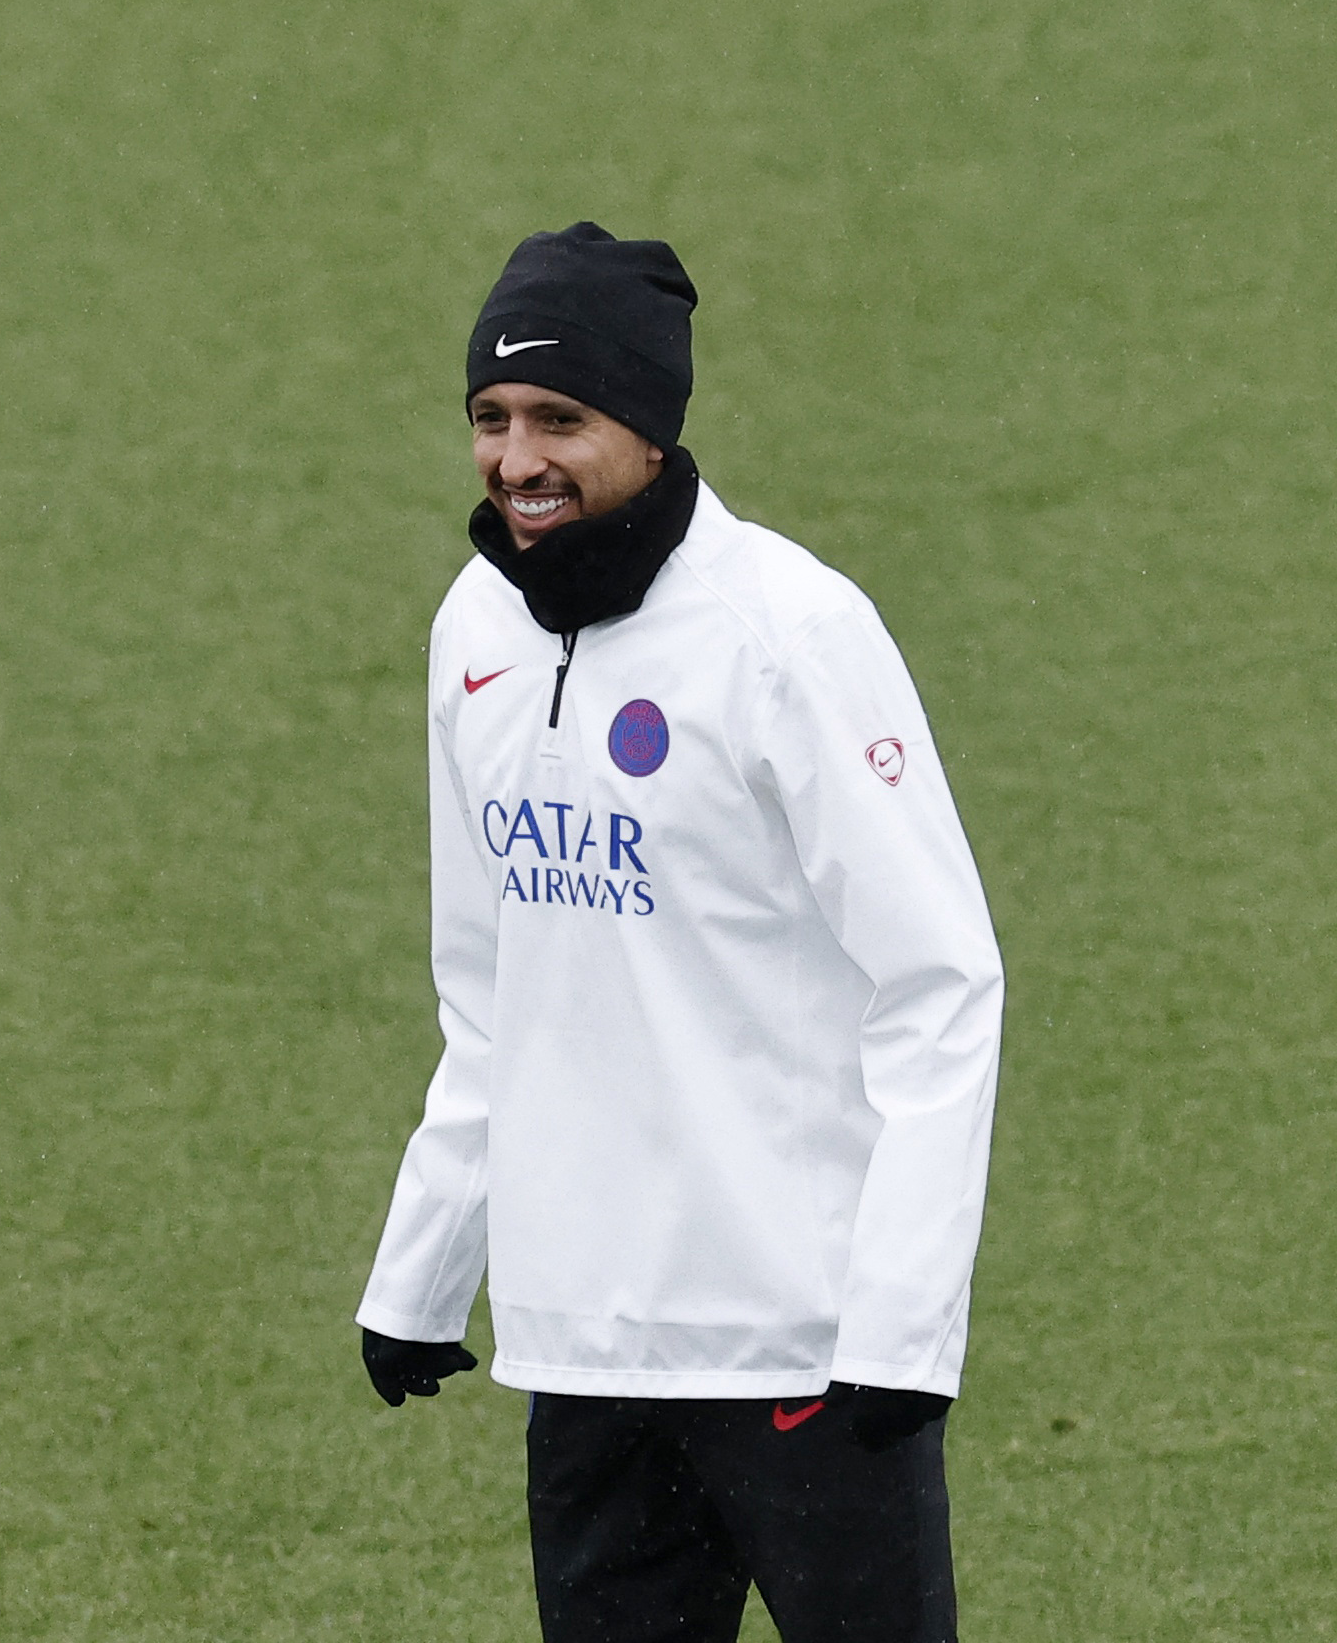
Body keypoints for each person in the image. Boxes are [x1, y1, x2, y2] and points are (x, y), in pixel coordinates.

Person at [355, 224, 1003, 1643]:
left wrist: (900, 1325)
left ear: (648, 430)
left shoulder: (787, 633)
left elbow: (941, 982)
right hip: (580, 1342)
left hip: (800, 1346)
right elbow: (489, 988)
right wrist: (422, 1265)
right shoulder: (474, 623)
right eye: (489, 418)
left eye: (558, 420)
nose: (514, 458)